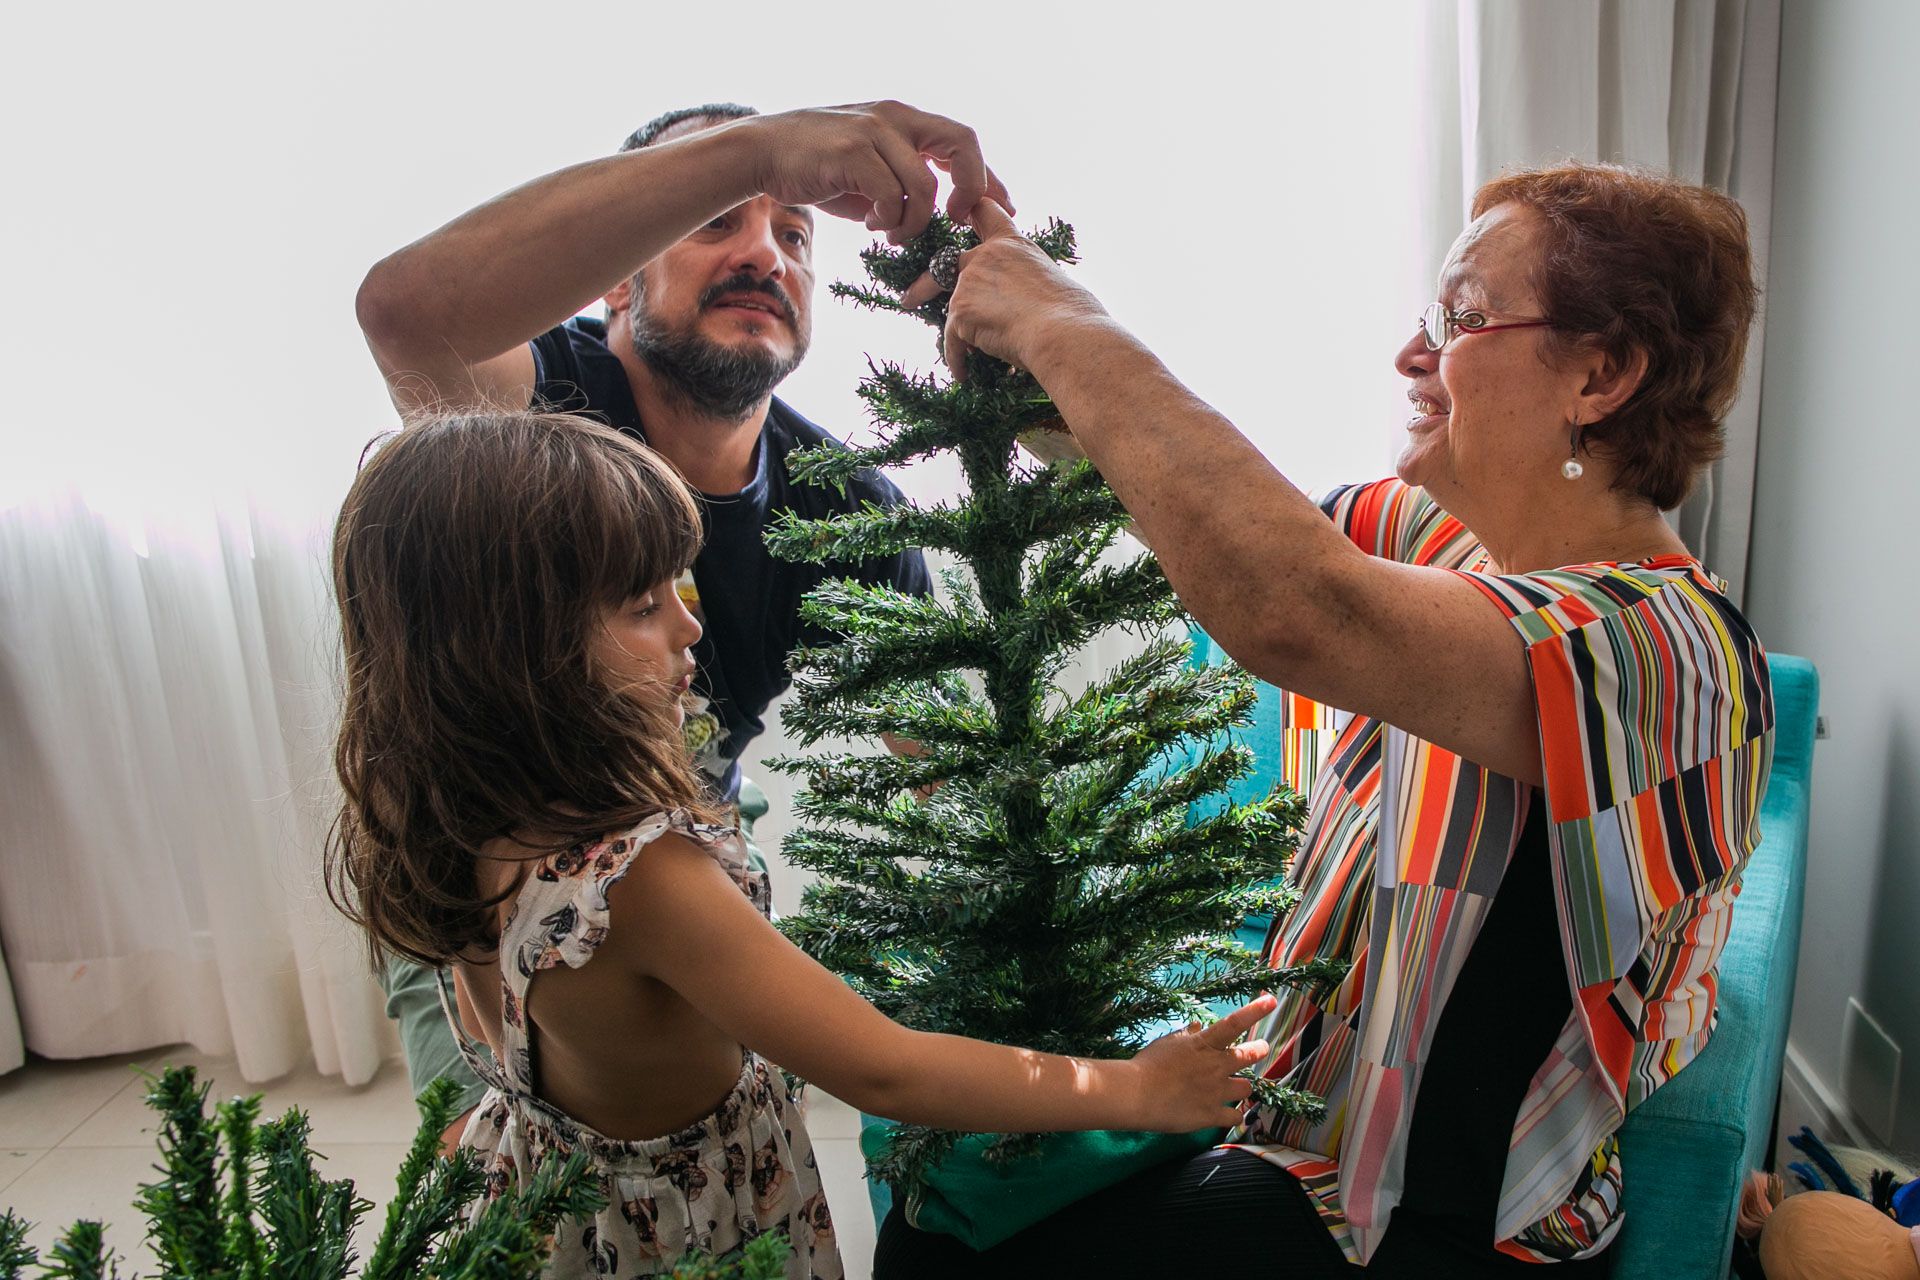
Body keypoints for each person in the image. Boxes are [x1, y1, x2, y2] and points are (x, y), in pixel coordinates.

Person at [873, 163, 1775, 1277]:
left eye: (1462, 316)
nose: (1413, 353)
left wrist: (1061, 316)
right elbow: (1199, 504)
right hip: (1304, 1149)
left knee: (950, 1246)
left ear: (1603, 372)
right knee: (950, 1192)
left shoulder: (1675, 650)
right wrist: (1006, 316)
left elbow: (1291, 600)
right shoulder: (1453, 544)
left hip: (1436, 1229)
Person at [324, 411, 1278, 1279]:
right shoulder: (643, 879)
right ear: (512, 650)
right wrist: (1142, 1090)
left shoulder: (444, 805)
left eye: (678, 587)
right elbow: (884, 1067)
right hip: (691, 1223)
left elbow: (503, 1022)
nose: (691, 625)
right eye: (642, 606)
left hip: (556, 1192)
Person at [353, 100, 1008, 1143]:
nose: (765, 252)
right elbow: (402, 313)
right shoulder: (535, 409)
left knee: (722, 1156)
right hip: (483, 883)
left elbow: (934, 758)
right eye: (714, 220)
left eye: (794, 235)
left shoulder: (845, 506)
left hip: (678, 845)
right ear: (617, 275)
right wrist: (758, 151)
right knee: (510, 1179)